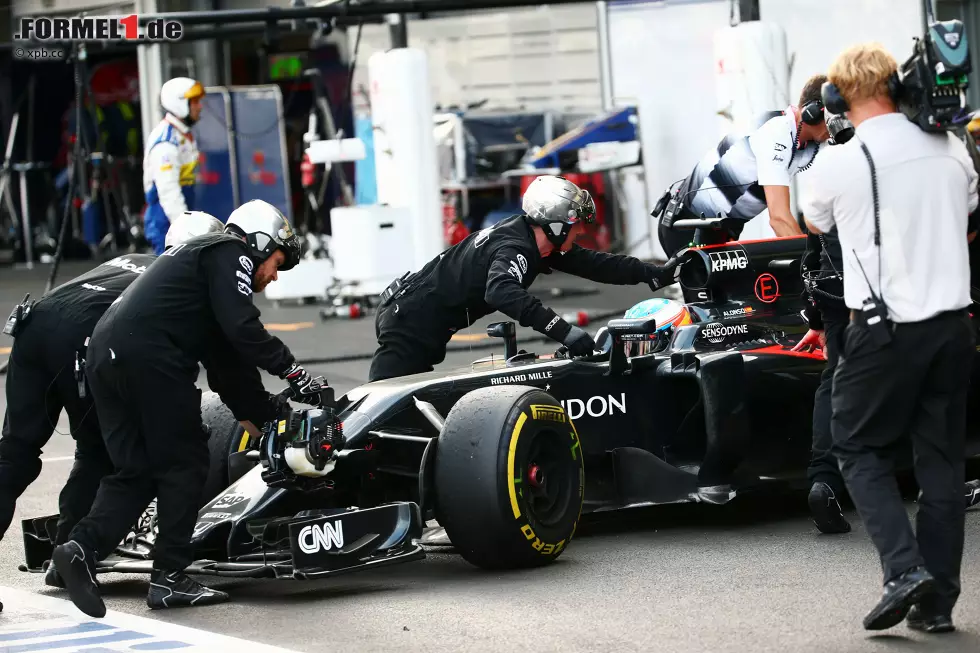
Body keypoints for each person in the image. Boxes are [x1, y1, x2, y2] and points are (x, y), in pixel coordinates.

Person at [52, 200, 324, 617]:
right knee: (186, 462)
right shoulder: (227, 249)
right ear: (258, 242)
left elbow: (229, 373)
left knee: (137, 470)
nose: (271, 278)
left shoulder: (200, 277)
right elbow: (243, 328)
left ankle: (79, 548)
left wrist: (273, 418)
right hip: (150, 357)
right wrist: (294, 372)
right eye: (276, 262)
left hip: (104, 355)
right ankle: (170, 577)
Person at [802, 43, 978, 633]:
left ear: (840, 97)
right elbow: (970, 204)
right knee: (941, 464)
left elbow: (814, 219)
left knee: (854, 444)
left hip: (883, 330)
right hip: (955, 328)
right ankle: (937, 607)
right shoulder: (952, 148)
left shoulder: (840, 162)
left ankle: (903, 571)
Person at [0, 212, 225, 601]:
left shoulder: (140, 260)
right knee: (106, 454)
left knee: (14, 456)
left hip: (34, 323)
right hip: (84, 339)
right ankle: (71, 554)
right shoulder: (184, 287)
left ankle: (64, 558)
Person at [368, 175, 683, 382]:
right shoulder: (515, 247)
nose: (580, 230)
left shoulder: (536, 241)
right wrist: (564, 332)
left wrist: (652, 273)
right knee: (377, 414)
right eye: (574, 224)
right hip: (408, 322)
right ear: (555, 226)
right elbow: (500, 291)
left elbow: (595, 264)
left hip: (419, 319)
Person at [656, 73, 833, 258]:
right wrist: (813, 262)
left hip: (720, 228)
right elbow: (779, 219)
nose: (835, 124)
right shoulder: (777, 131)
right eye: (832, 116)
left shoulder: (808, 141)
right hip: (688, 225)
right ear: (813, 112)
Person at [143, 77, 204, 255]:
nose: (199, 106)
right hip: (167, 222)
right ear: (180, 104)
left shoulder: (182, 134)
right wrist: (184, 229)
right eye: (195, 102)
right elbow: (169, 192)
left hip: (177, 218)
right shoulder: (166, 142)